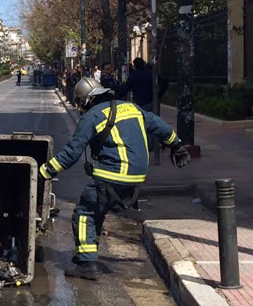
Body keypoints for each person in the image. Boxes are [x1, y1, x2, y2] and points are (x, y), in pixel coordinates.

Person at [38, 77, 191, 280]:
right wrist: (177, 145)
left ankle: (86, 264)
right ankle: (88, 254)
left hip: (111, 175)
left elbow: (72, 153)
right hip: (137, 177)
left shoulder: (91, 117)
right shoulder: (132, 107)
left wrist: (44, 172)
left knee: (85, 214)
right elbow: (159, 125)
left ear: (85, 101)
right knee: (98, 211)